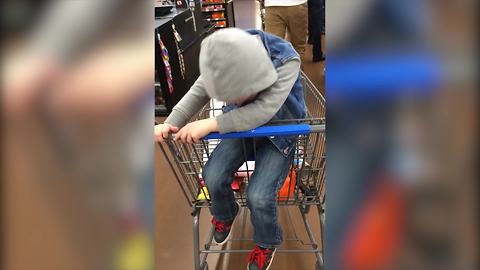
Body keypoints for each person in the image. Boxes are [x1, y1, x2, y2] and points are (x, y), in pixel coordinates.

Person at [155, 28, 305, 270]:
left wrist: (211, 124)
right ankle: (225, 214)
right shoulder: (223, 60)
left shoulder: (286, 60)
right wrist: (171, 122)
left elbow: (263, 109)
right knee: (211, 175)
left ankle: (267, 241)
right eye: (230, 98)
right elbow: (198, 91)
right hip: (239, 127)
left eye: (240, 96)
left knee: (259, 195)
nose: (235, 102)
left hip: (281, 130)